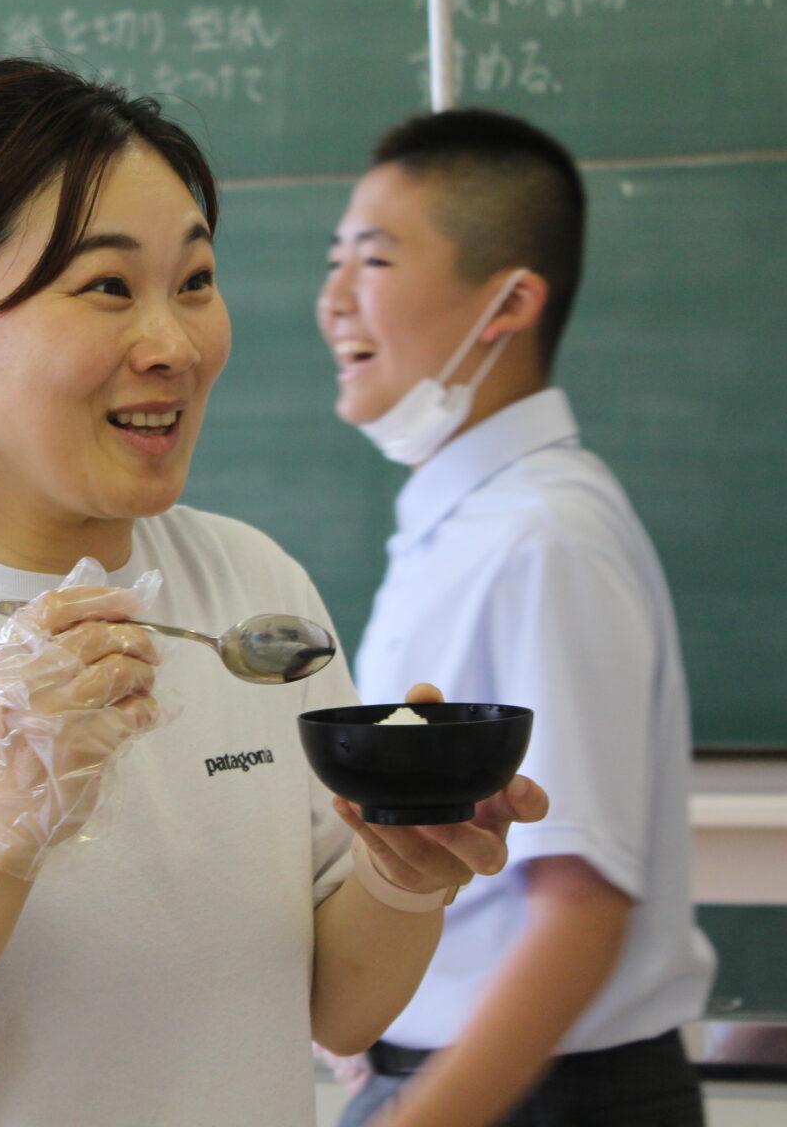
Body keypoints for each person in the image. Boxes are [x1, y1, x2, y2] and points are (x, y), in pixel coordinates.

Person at [0, 58, 547, 1127]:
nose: (172, 345)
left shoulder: (252, 588)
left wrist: (406, 869)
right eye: (107, 288)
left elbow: (337, 1008)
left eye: (196, 283)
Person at [315, 108, 717, 1127]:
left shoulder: (545, 536)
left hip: (536, 1099)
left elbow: (579, 912)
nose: (333, 304)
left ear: (509, 303)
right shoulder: (464, 522)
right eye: (334, 262)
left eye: (373, 262)